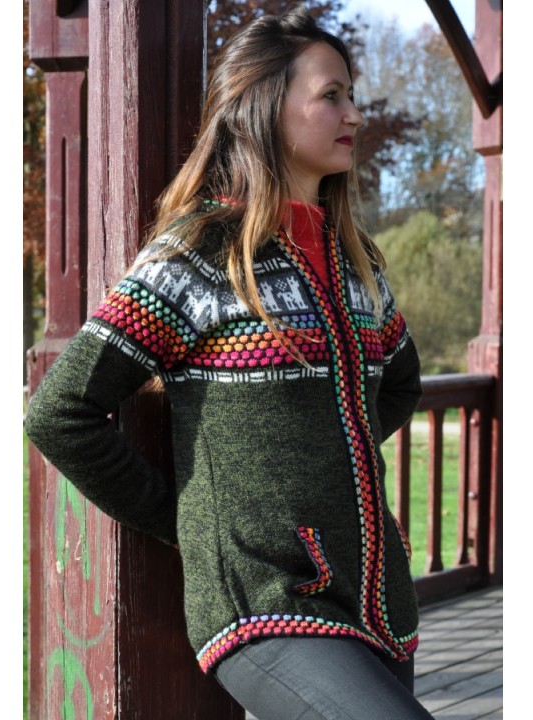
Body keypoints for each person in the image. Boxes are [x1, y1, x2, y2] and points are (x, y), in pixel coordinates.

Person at [25, 4, 434, 718]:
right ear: (265, 107)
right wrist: (190, 520)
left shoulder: (358, 261)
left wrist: (330, 456)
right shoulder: (199, 255)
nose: (354, 113)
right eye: (331, 95)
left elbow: (397, 383)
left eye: (352, 94)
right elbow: (60, 413)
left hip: (377, 601)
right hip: (264, 603)